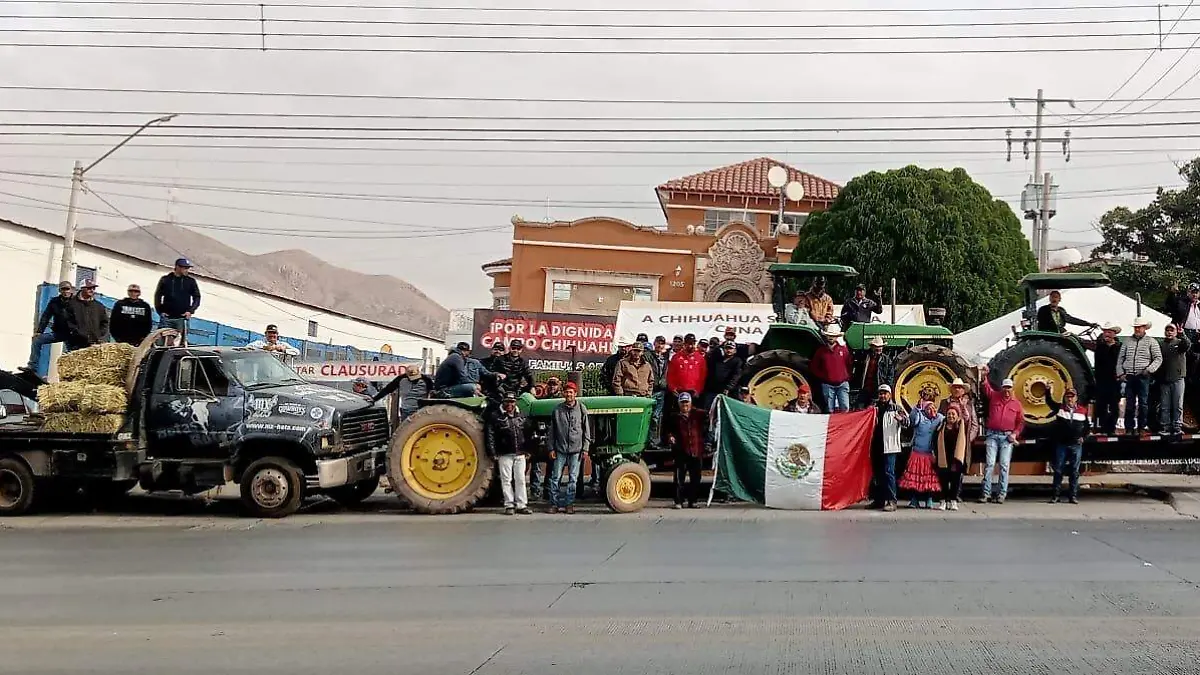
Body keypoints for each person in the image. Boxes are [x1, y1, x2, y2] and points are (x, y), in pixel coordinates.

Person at [977, 366, 1024, 504]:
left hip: (1007, 437)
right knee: (990, 464)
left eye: (1009, 388)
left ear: (1012, 389)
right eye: (1005, 387)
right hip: (992, 435)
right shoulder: (994, 396)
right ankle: (986, 493)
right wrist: (984, 375)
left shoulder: (1017, 404)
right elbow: (986, 388)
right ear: (1002, 388)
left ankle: (1001, 494)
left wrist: (1015, 434)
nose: (1007, 390)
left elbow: (1021, 422)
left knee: (1004, 465)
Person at [486, 392, 534, 515]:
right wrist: (493, 452)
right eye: (507, 401)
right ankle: (509, 505)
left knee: (520, 479)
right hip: (504, 452)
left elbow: (528, 433)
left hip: (520, 452)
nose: (509, 404)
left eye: (512, 402)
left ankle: (522, 505)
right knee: (506, 479)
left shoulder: (521, 415)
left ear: (515, 403)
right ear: (503, 402)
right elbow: (490, 435)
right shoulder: (496, 416)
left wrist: (528, 450)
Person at [547, 382, 590, 514]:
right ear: (563, 394)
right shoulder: (557, 410)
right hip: (560, 449)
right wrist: (551, 448)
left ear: (575, 394)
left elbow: (586, 430)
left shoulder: (581, 409)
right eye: (566, 392)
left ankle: (569, 504)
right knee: (555, 478)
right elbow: (552, 431)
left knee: (573, 479)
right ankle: (554, 504)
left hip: (576, 450)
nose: (568, 394)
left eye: (571, 392)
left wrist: (585, 448)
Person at [1117, 317, 1163, 435]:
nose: (1137, 329)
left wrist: (1149, 370)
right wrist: (1121, 373)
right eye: (1136, 327)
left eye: (1140, 327)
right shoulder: (1127, 341)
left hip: (1143, 375)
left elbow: (1158, 358)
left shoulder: (1151, 341)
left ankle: (1142, 427)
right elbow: (1121, 358)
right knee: (1129, 404)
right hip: (1130, 376)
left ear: (1144, 328)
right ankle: (1129, 428)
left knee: (1143, 403)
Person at [1046, 384, 1090, 504]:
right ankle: (1055, 496)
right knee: (1058, 470)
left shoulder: (1083, 410)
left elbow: (1087, 427)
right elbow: (1049, 401)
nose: (1070, 399)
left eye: (1072, 396)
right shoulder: (1059, 408)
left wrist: (1083, 437)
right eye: (1068, 396)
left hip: (1076, 444)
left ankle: (1073, 496)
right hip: (1062, 444)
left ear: (1076, 398)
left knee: (1074, 471)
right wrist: (1048, 390)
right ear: (1065, 398)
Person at [869, 384, 908, 512]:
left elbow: (908, 423)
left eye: (885, 393)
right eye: (881, 393)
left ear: (890, 395)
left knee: (889, 473)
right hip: (876, 445)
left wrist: (901, 419)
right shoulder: (873, 408)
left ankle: (892, 500)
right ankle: (879, 500)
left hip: (890, 446)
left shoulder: (896, 408)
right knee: (878, 474)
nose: (883, 395)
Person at [900, 394, 943, 509]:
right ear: (924, 410)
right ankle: (914, 500)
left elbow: (949, 420)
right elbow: (912, 419)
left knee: (928, 478)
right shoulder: (920, 417)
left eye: (933, 407)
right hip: (917, 453)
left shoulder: (939, 418)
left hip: (929, 454)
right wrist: (916, 408)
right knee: (915, 478)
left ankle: (929, 499)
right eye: (928, 408)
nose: (931, 410)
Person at [668, 392, 707, 509]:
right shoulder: (674, 417)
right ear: (679, 404)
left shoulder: (697, 414)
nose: (685, 405)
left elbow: (710, 414)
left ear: (690, 403)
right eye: (682, 403)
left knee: (696, 478)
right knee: (679, 478)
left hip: (696, 450)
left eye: (687, 402)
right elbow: (668, 431)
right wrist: (670, 437)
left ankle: (693, 501)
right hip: (681, 451)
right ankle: (678, 501)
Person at [27, 280, 74, 370]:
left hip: (72, 334)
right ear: (60, 291)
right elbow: (46, 316)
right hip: (58, 333)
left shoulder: (76, 302)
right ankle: (32, 366)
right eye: (63, 289)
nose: (65, 291)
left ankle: (71, 375)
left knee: (73, 354)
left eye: (67, 289)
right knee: (37, 340)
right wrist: (39, 331)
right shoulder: (54, 302)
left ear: (71, 290)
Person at [934, 404, 970, 511]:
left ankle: (953, 501)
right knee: (943, 480)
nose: (951, 416)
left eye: (953, 414)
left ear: (957, 415)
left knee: (955, 481)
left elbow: (967, 418)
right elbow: (935, 440)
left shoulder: (961, 426)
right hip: (943, 457)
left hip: (956, 458)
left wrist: (963, 406)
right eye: (949, 413)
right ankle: (943, 501)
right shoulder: (941, 426)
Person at [1159, 324, 1191, 439]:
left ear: (1176, 332)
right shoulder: (1160, 344)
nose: (1169, 332)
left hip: (1178, 378)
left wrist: (1182, 333)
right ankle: (1165, 427)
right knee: (1165, 405)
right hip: (1164, 379)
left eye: (1171, 330)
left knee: (1178, 405)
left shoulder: (1180, 343)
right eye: (1167, 330)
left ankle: (1177, 427)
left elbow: (1187, 345)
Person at [810, 324, 852, 412]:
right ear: (826, 336)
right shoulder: (821, 351)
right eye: (829, 336)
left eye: (833, 336)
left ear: (837, 337)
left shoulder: (844, 350)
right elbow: (814, 367)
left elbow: (849, 364)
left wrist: (846, 377)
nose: (831, 338)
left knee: (845, 407)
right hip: (828, 385)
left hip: (842, 384)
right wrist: (824, 377)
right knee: (830, 409)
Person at [1091, 323, 1123, 435]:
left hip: (1115, 380)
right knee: (1101, 405)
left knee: (1114, 405)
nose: (1107, 334)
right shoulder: (1099, 346)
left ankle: (1111, 428)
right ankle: (1102, 428)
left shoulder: (1120, 347)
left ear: (1114, 334)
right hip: (1101, 380)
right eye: (1105, 331)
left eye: (1109, 332)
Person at [154, 257, 201, 331]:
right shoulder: (165, 279)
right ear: (177, 267)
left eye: (188, 268)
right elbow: (158, 296)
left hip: (182, 318)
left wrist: (190, 311)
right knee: (161, 340)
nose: (187, 270)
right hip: (167, 317)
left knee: (180, 340)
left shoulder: (190, 281)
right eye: (185, 268)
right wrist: (160, 311)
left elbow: (197, 297)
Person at [64, 279, 109, 349]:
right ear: (82, 288)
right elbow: (68, 323)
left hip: (94, 345)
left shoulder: (99, 306)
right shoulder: (71, 304)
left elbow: (105, 323)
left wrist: (98, 335)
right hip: (76, 345)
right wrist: (80, 335)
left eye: (93, 288)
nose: (92, 290)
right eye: (89, 288)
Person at [700, 341, 744, 409]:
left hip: (725, 391)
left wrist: (728, 388)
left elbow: (736, 375)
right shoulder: (717, 359)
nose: (728, 350)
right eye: (726, 348)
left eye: (731, 348)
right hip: (712, 390)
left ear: (735, 350)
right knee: (708, 409)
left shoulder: (737, 361)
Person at [854, 336, 895, 409]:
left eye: (880, 347)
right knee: (860, 408)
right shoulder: (865, 357)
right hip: (865, 388)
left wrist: (885, 388)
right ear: (872, 347)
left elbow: (890, 375)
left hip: (877, 389)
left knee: (873, 409)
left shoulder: (887, 360)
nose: (879, 348)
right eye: (877, 346)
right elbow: (859, 371)